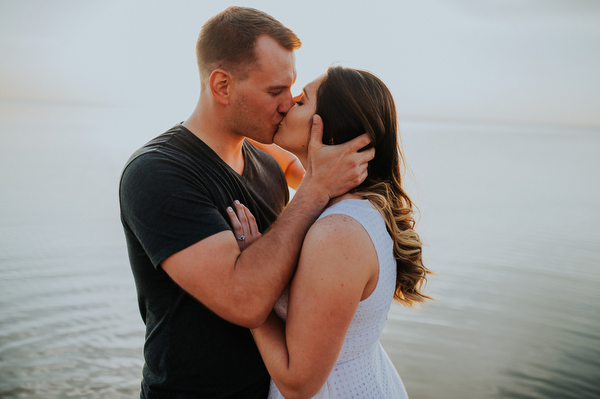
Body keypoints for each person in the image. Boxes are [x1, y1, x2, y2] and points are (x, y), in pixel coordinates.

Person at [118, 7, 374, 399]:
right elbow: (247, 300)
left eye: (291, 90)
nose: (288, 104)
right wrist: (314, 189)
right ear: (221, 86)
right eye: (275, 91)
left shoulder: (268, 163)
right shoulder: (156, 173)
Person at [229, 66, 433, 399]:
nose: (287, 103)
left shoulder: (338, 234)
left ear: (330, 130)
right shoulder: (346, 207)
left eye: (301, 100)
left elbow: (298, 383)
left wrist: (254, 293)